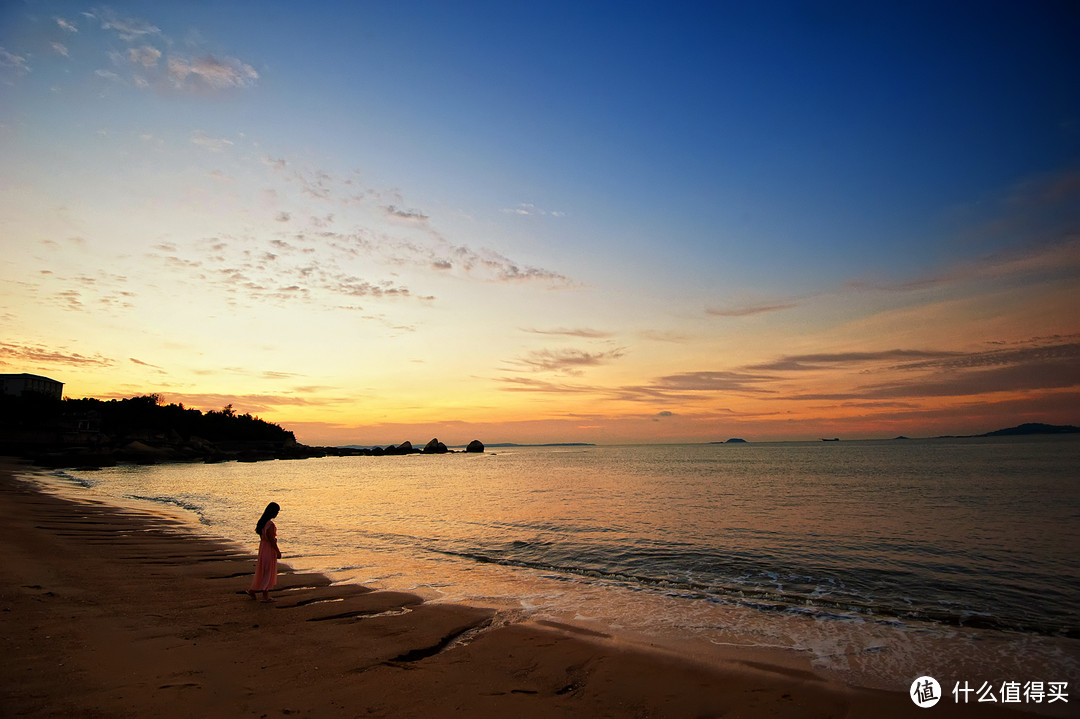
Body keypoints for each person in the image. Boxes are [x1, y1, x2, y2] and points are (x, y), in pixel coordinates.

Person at [247, 502, 281, 602]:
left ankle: (252, 590)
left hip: (263, 548)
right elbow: (271, 539)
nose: (277, 513)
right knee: (267, 571)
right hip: (268, 549)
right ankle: (265, 596)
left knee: (263, 571)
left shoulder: (262, 522)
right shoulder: (270, 524)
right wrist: (278, 551)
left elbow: (264, 537)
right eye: (277, 511)